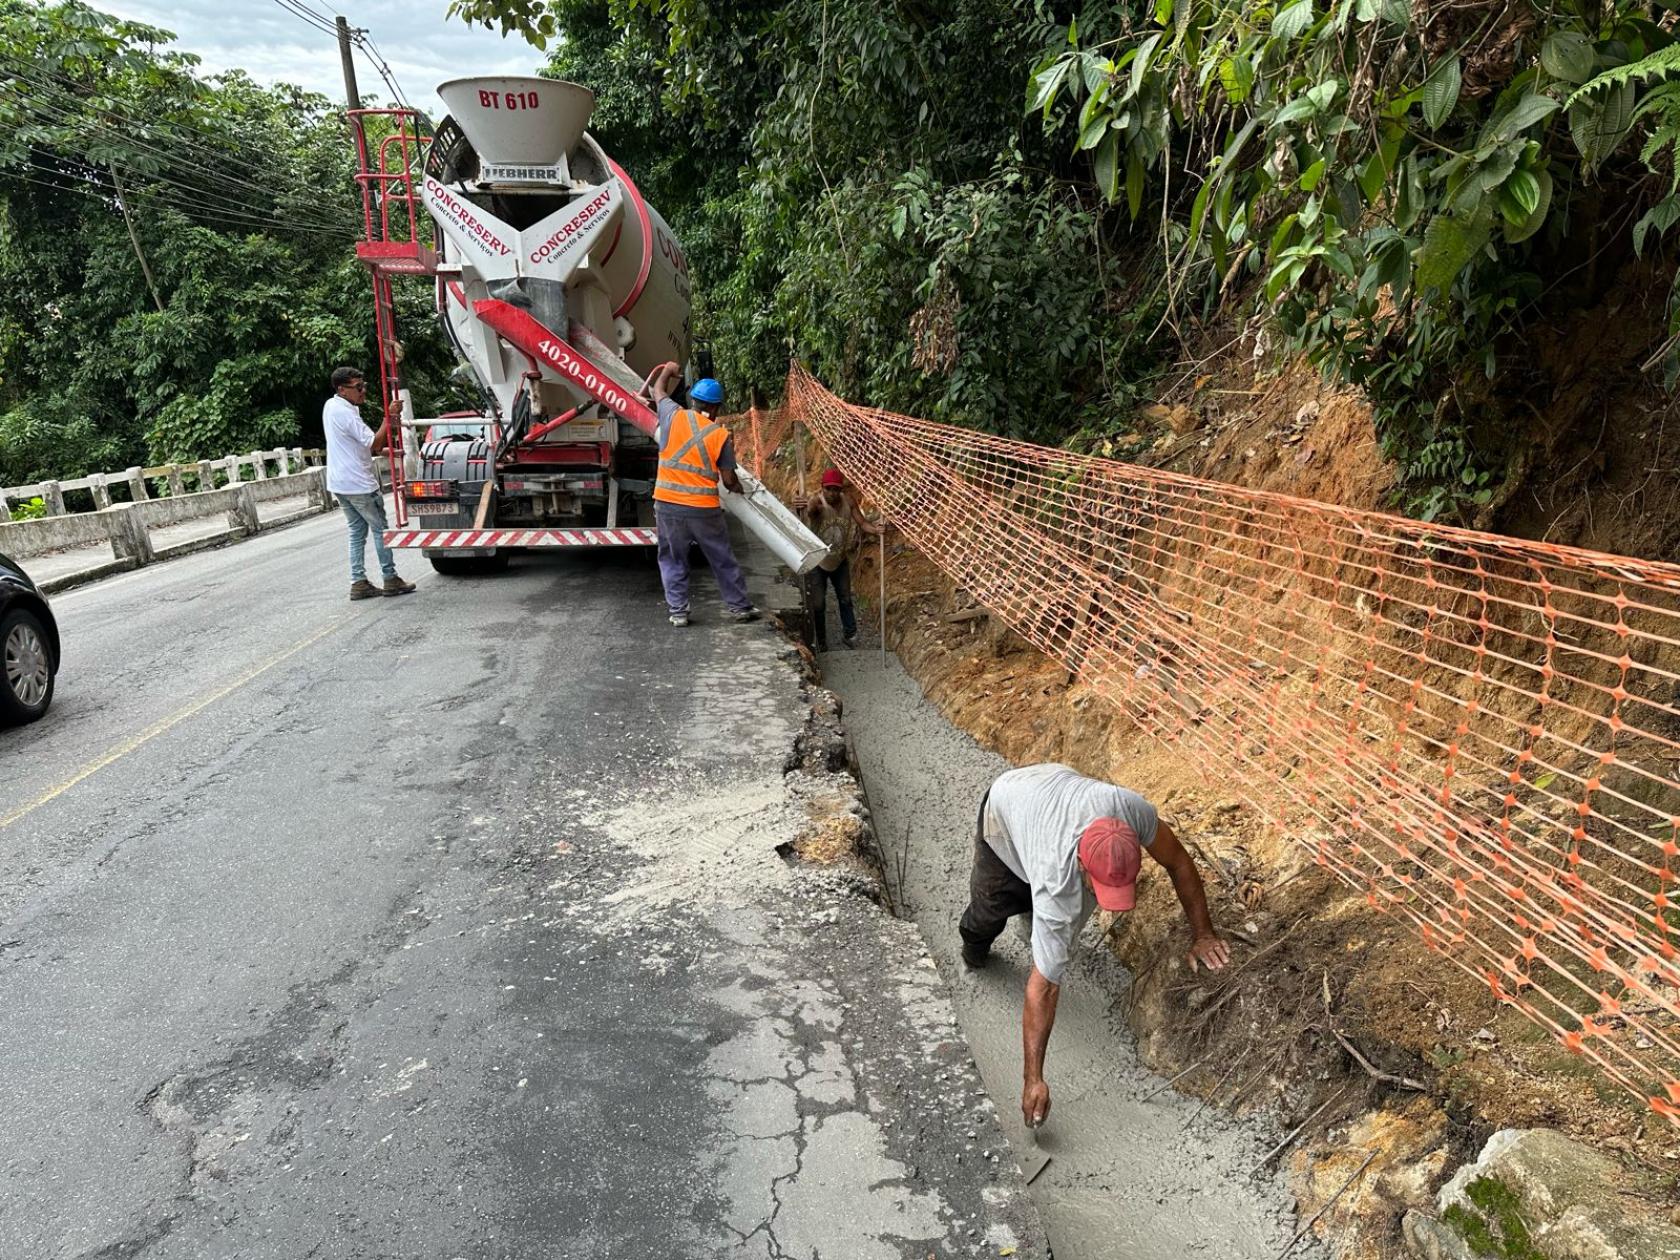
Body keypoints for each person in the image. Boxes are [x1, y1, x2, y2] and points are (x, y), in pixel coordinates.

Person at [958, 763, 1230, 1129]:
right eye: (1097, 886)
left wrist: (1204, 935)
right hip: (1007, 808)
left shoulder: (1129, 810)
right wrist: (1033, 1079)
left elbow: (1179, 860)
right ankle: (973, 946)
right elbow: (1045, 988)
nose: (1101, 900)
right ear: (1081, 863)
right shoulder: (1057, 884)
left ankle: (1026, 914)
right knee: (993, 906)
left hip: (1050, 792)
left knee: (1035, 907)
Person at [649, 363, 758, 628]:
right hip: (703, 510)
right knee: (721, 557)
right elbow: (729, 480)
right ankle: (740, 607)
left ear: (693, 401)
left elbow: (658, 390)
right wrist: (744, 490)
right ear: (716, 408)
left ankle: (678, 612)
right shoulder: (719, 435)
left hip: (667, 505)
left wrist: (668, 370)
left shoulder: (672, 415)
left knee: (673, 559)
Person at [324, 366, 416, 601]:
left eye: (363, 386)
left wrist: (388, 451)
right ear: (342, 390)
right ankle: (390, 577)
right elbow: (373, 443)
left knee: (356, 531)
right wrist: (390, 417)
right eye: (358, 388)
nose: (363, 391)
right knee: (380, 530)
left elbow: (359, 446)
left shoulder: (332, 406)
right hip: (359, 484)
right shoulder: (346, 412)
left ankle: (359, 581)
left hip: (340, 483)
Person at [800, 468, 883, 650]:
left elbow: (861, 523)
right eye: (828, 489)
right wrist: (808, 507)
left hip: (839, 559)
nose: (832, 493)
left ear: (841, 490)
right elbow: (811, 510)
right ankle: (821, 641)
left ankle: (850, 634)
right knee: (818, 603)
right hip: (818, 561)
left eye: (836, 489)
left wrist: (876, 530)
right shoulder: (818, 503)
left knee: (845, 598)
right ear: (822, 488)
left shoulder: (848, 502)